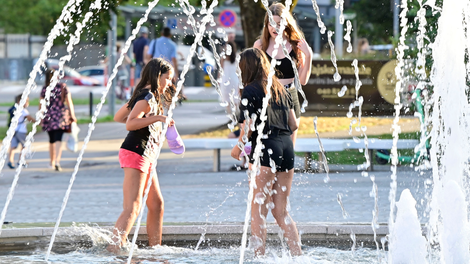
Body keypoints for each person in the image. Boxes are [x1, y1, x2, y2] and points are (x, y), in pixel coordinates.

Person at [230, 48, 301, 257]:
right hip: (286, 147)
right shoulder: (280, 87)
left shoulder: (250, 90)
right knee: (281, 211)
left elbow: (249, 125)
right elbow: (294, 124)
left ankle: (258, 258)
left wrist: (239, 147)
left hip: (265, 147)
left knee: (257, 209)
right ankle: (298, 256)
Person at [107, 58, 177, 253]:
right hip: (136, 152)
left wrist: (147, 120)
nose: (170, 83)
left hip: (146, 155)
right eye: (168, 78)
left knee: (156, 204)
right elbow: (129, 123)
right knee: (133, 207)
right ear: (157, 76)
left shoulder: (145, 96)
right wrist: (158, 118)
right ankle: (113, 249)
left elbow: (119, 117)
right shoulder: (147, 97)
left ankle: (156, 249)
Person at [253, 2, 313, 147]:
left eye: (279, 23)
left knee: (288, 148)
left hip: (290, 96)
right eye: (271, 24)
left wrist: (308, 55)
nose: (275, 28)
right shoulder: (260, 45)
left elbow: (303, 81)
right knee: (268, 148)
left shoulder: (295, 45)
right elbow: (254, 77)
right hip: (268, 97)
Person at [40, 69, 77, 171]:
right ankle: (57, 161)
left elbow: (41, 104)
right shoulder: (63, 87)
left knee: (51, 139)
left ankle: (51, 162)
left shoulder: (45, 88)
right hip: (61, 116)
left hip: (48, 116)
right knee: (58, 139)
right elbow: (69, 102)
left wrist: (40, 117)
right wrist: (72, 115)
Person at [7, 95, 36, 169]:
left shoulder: (15, 109)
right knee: (24, 146)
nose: (27, 103)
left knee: (13, 146)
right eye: (26, 101)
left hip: (13, 130)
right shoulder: (23, 110)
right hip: (21, 131)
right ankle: (21, 160)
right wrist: (38, 122)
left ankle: (10, 161)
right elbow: (30, 118)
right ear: (20, 101)